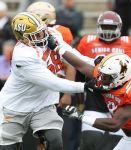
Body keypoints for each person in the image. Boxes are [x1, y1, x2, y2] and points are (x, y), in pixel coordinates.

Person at [0, 12, 92, 150]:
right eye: (36, 35)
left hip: (43, 104)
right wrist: (86, 86)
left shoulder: (52, 34)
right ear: (23, 38)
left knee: (55, 142)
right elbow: (53, 82)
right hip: (15, 107)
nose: (42, 36)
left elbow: (75, 56)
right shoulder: (23, 55)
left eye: (42, 32)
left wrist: (99, 66)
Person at [75, 10, 131, 150]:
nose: (108, 31)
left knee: (115, 145)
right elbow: (80, 74)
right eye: (105, 27)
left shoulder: (129, 44)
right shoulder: (87, 42)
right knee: (89, 143)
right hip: (95, 101)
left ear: (119, 27)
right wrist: (79, 99)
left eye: (111, 27)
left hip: (120, 104)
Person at [62, 53, 131, 150]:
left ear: (120, 77)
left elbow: (114, 124)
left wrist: (80, 115)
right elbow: (81, 66)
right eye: (102, 75)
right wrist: (58, 48)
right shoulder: (110, 78)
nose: (100, 79)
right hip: (129, 137)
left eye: (106, 77)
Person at [27, 2, 81, 150]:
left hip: (59, 86)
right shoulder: (27, 35)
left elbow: (69, 64)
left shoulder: (60, 32)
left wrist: (67, 93)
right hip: (39, 89)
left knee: (64, 132)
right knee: (41, 134)